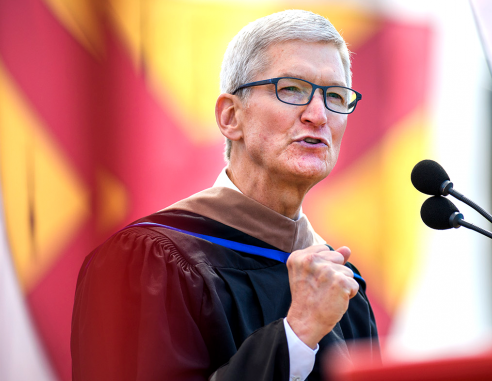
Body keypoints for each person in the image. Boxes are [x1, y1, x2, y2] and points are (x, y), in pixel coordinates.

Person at [71, 9, 379, 381]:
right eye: (292, 89)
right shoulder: (147, 262)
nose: (318, 115)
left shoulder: (340, 283)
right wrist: (295, 337)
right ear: (231, 117)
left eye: (335, 95)